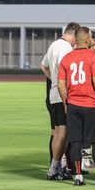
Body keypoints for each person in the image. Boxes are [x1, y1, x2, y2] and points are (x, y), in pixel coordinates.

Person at [57, 27, 95, 186]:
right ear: (87, 40)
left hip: (73, 105)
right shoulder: (93, 57)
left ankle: (78, 177)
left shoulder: (66, 58)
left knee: (75, 142)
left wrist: (65, 102)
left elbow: (61, 85)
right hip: (90, 105)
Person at [41, 21, 79, 180]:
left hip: (54, 92)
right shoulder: (66, 48)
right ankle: (54, 169)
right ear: (74, 34)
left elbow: (44, 66)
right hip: (63, 93)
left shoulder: (53, 45)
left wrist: (54, 80)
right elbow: (68, 70)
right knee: (63, 134)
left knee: (57, 133)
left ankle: (54, 168)